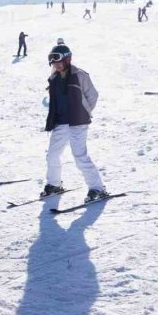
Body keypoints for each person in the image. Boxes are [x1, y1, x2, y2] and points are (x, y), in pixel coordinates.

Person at [42, 42, 108, 200]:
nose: (56, 65)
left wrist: (84, 112)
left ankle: (97, 188)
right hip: (60, 123)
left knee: (80, 156)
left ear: (67, 59)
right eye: (53, 62)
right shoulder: (54, 78)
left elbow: (92, 95)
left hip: (78, 123)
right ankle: (54, 184)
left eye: (58, 61)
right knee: (52, 155)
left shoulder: (80, 75)